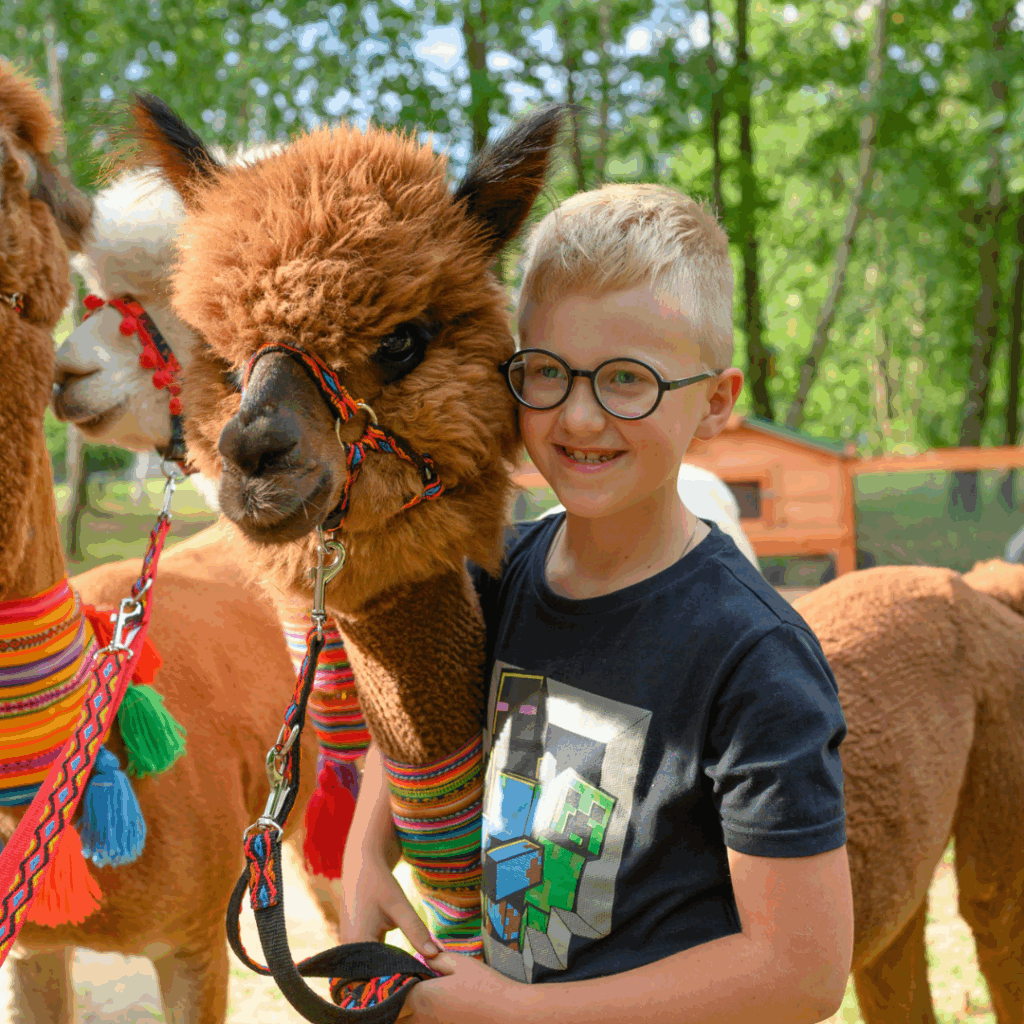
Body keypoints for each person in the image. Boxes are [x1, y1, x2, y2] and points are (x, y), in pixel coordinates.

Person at [340, 184, 853, 1024]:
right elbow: (416, 710)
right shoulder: (493, 576)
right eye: (547, 372)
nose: (579, 417)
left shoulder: (754, 657)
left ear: (716, 402)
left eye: (628, 380)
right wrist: (366, 851)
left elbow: (801, 973)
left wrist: (511, 1014)